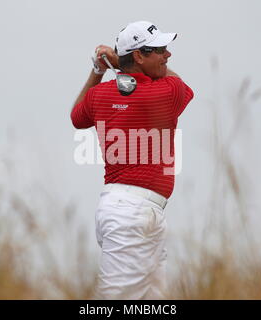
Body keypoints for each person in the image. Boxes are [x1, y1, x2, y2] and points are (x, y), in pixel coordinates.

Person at [70, 21, 194, 299]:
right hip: (132, 214)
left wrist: (98, 71)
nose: (167, 56)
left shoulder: (99, 94)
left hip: (130, 210)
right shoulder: (164, 91)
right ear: (138, 56)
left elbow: (77, 115)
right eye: (160, 50)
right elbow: (182, 86)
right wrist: (116, 64)